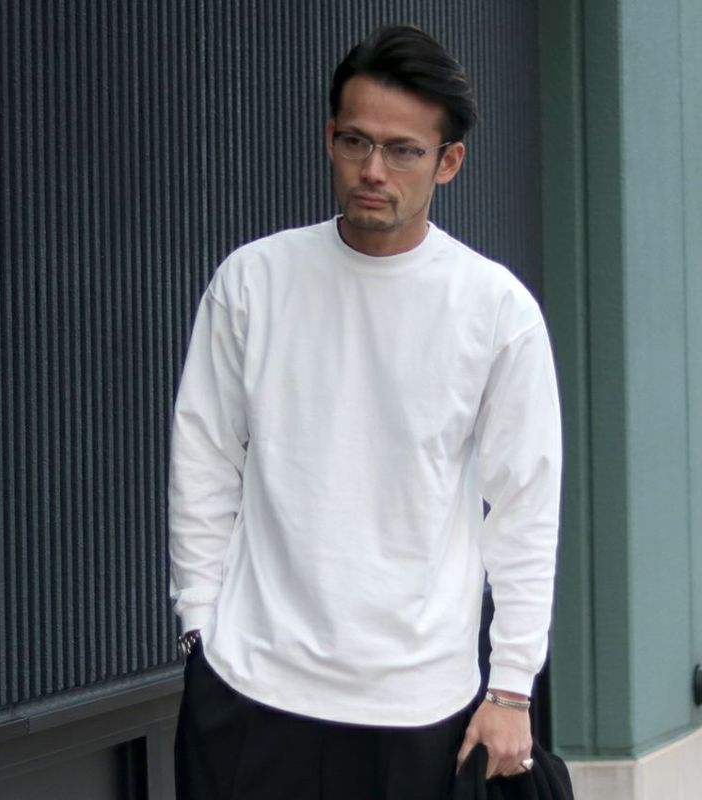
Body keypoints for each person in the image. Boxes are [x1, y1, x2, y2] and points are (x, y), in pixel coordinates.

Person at [169, 24, 562, 800]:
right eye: (355, 141)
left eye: (403, 150)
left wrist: (512, 687)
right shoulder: (253, 282)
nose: (373, 169)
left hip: (420, 702)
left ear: (449, 161)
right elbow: (203, 459)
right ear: (330, 139)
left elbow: (525, 505)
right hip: (250, 684)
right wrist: (200, 626)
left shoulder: (494, 309)